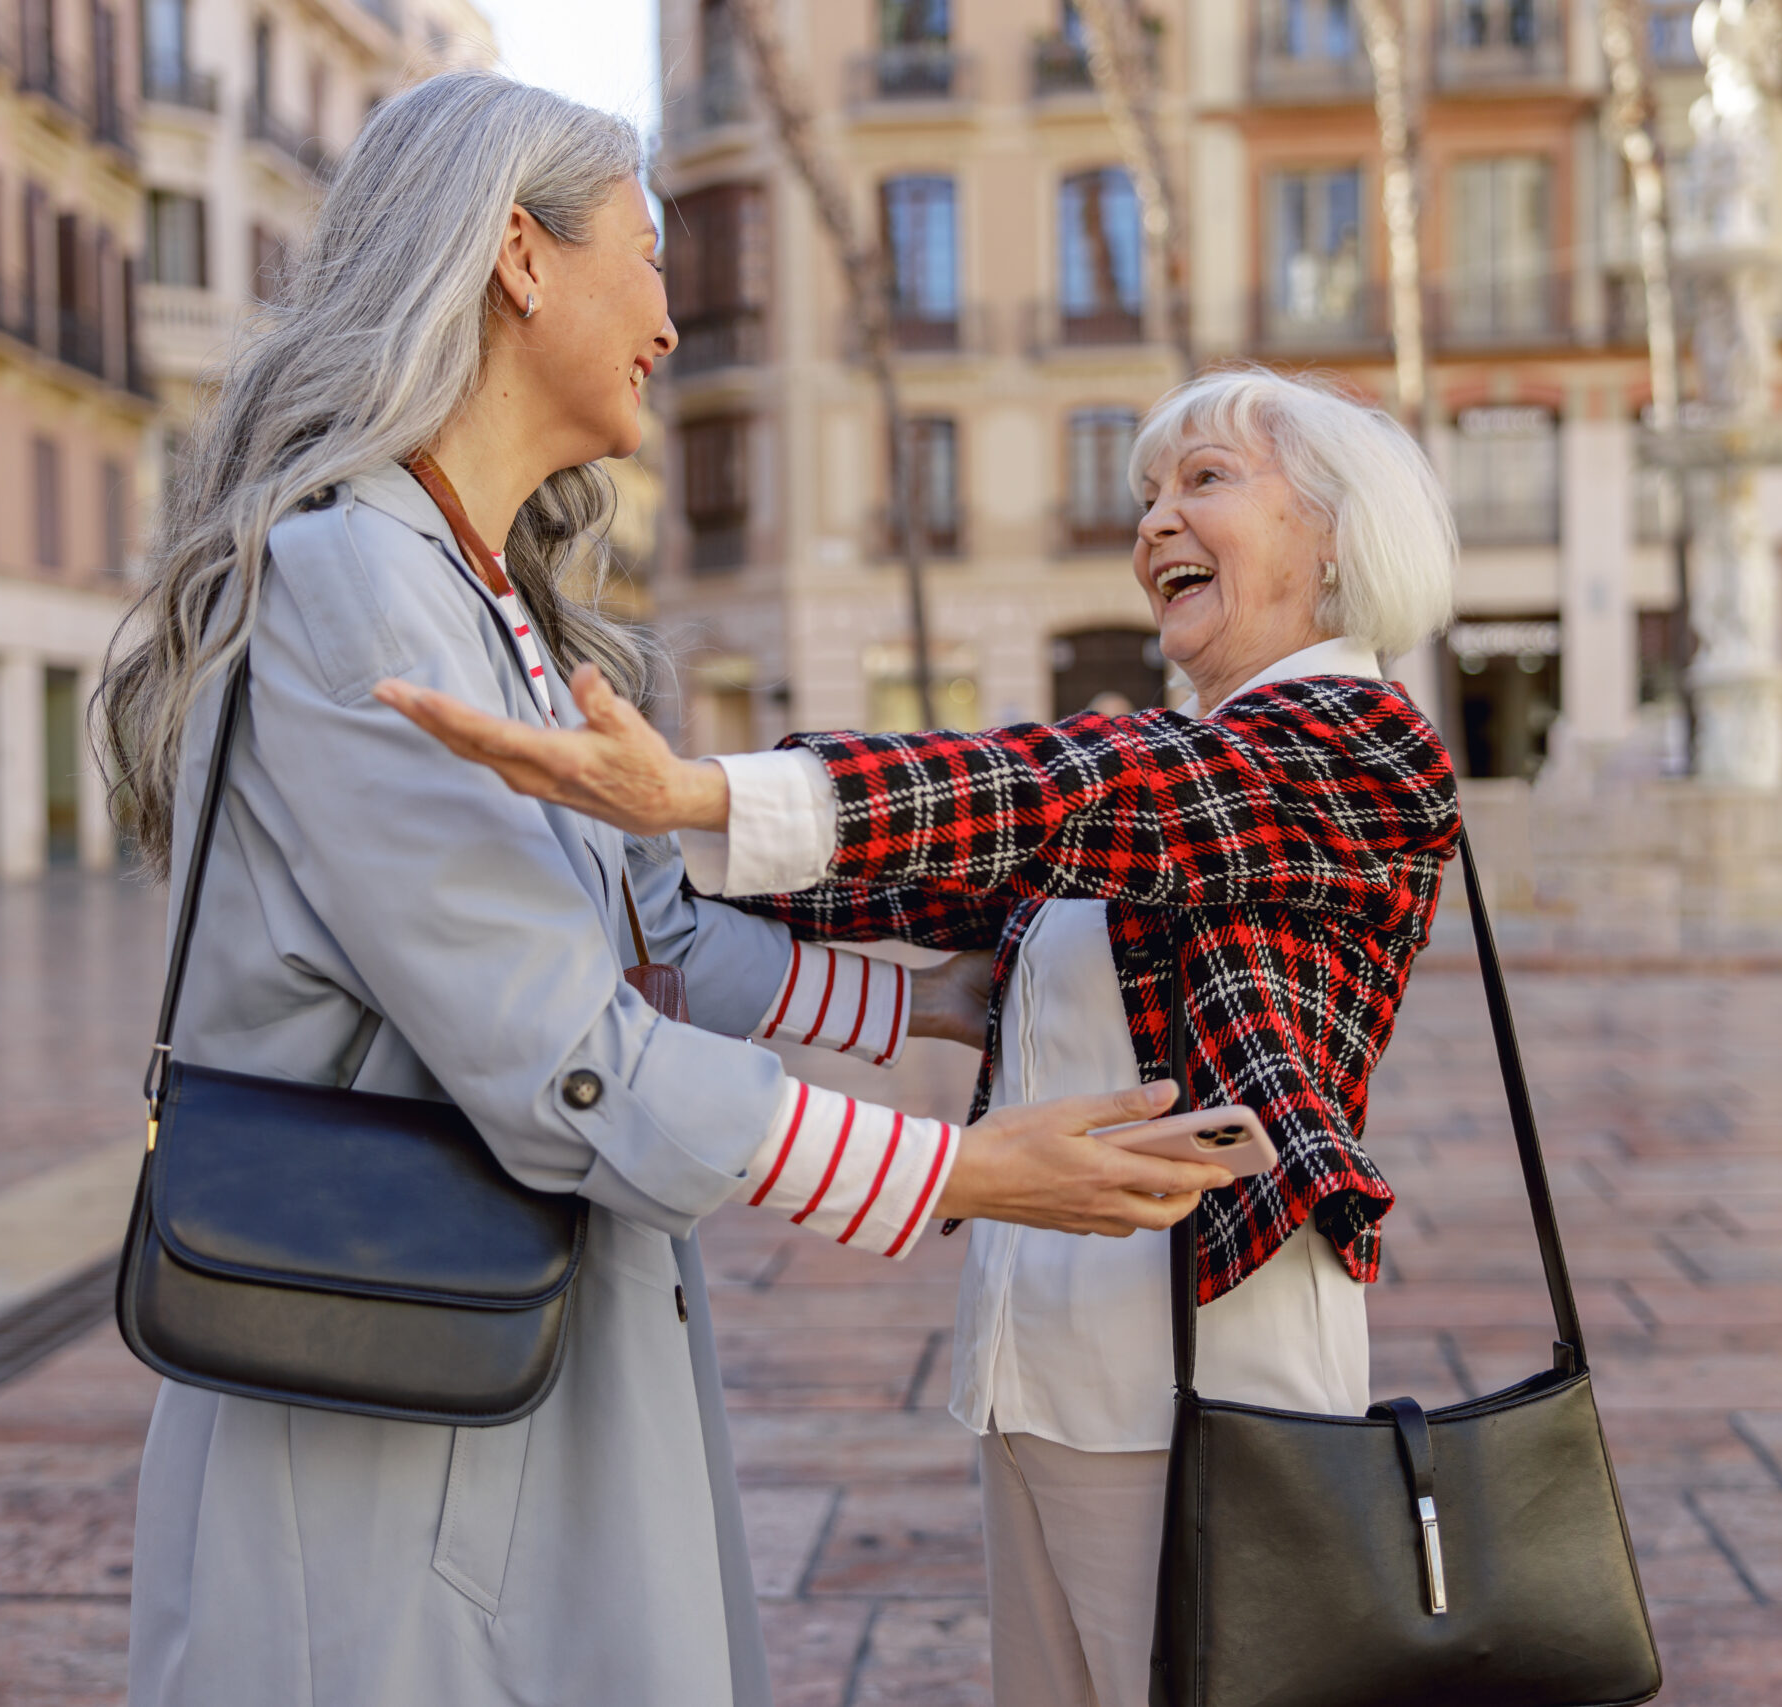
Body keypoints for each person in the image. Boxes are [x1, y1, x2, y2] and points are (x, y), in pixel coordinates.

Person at [95, 71, 1229, 1707]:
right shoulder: (358, 583)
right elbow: (566, 1058)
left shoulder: (487, 599)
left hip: (509, 1349)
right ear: (518, 260)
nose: (671, 323)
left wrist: (929, 1002)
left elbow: (657, 944)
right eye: (646, 256)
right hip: (384, 1384)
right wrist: (961, 1174)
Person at [382, 365, 1466, 1707]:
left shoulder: (1355, 746)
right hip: (1042, 1375)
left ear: (1338, 534)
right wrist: (639, 823)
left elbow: (1057, 790)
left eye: (1205, 481)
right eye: (1145, 495)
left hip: (1208, 1401)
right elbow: (924, 866)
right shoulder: (1187, 757)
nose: (1154, 525)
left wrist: (699, 789)